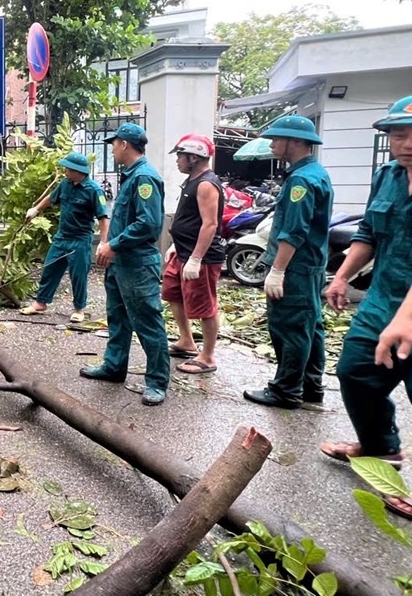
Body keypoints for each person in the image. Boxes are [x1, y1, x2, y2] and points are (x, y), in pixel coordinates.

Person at [321, 95, 412, 482]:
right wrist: (341, 276)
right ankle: (380, 446)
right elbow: (369, 233)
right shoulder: (387, 177)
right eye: (398, 134)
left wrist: (406, 319)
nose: (406, 143)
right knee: (355, 370)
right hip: (382, 299)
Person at [243, 115, 333, 409]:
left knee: (290, 327)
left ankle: (286, 390)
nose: (271, 143)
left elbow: (293, 231)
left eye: (276, 138)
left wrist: (277, 270)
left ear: (294, 141)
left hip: (295, 266)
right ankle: (310, 386)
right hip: (309, 265)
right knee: (310, 326)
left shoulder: (301, 180)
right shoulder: (313, 172)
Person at [80, 123, 170, 406]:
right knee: (117, 317)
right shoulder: (130, 176)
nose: (113, 148)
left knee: (147, 322)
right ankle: (114, 366)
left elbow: (149, 224)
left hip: (137, 264)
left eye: (114, 143)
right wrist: (110, 247)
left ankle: (157, 381)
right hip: (120, 263)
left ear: (125, 145)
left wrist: (113, 245)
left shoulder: (144, 178)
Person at [20, 152, 109, 322]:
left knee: (78, 275)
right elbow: (51, 198)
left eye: (68, 168)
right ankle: (41, 303)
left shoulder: (94, 191)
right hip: (62, 237)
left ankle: (79, 309)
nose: (65, 171)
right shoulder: (65, 184)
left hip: (81, 239)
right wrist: (36, 209)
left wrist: (103, 242)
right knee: (50, 268)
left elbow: (103, 219)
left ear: (78, 170)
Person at [162, 134, 225, 374]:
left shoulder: (206, 184)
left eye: (180, 156)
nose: (177, 160)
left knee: (204, 304)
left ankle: (208, 356)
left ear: (194, 157)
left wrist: (196, 258)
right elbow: (189, 219)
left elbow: (209, 224)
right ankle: (186, 341)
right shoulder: (192, 180)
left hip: (202, 258)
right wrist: (176, 244)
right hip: (183, 252)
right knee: (172, 293)